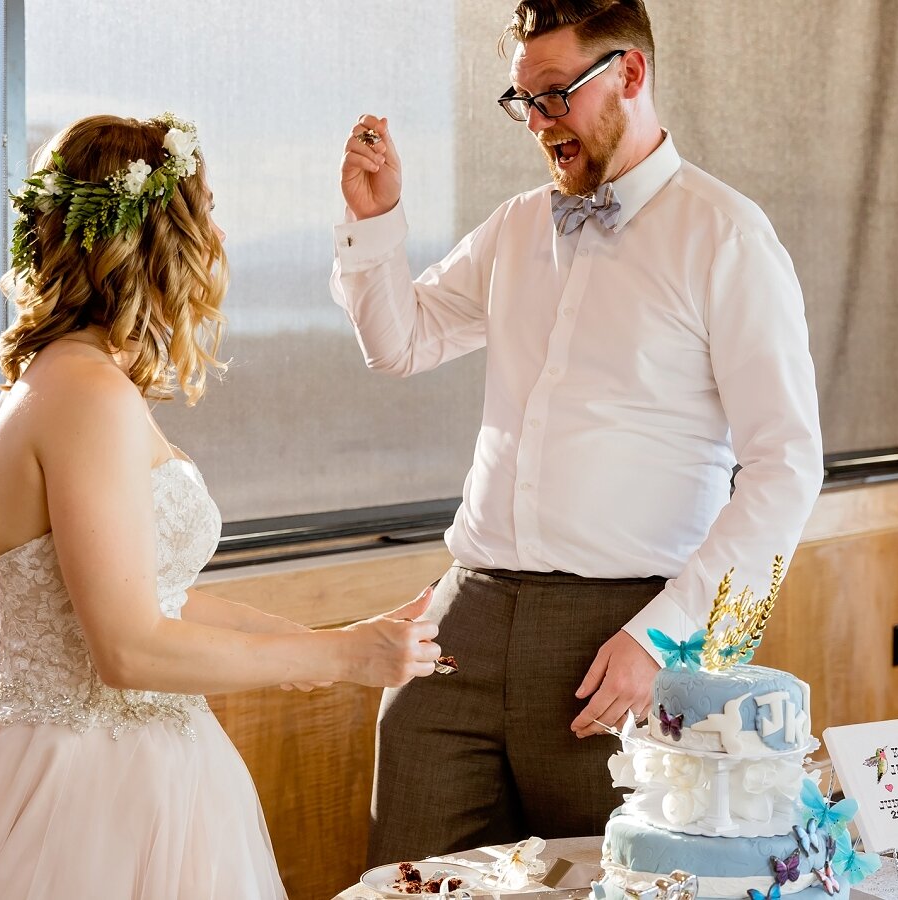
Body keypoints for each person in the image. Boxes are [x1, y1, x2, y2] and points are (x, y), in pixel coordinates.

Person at [0, 112, 442, 900]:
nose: (218, 233)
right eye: (205, 209)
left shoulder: (75, 378)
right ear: (159, 237)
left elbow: (159, 601)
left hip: (127, 765)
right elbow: (127, 650)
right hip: (82, 791)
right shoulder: (83, 394)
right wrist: (342, 661)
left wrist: (328, 639)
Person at [333, 0, 825, 865]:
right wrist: (376, 224)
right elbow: (400, 343)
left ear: (630, 75)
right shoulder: (518, 225)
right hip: (466, 620)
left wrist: (661, 636)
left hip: (623, 632)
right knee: (404, 877)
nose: (538, 124)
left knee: (613, 881)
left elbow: (787, 468)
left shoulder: (727, 237)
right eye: (523, 101)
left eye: (555, 94)